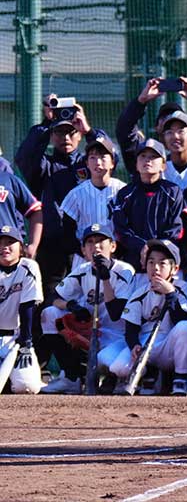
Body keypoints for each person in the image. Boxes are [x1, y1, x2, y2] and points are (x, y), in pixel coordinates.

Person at [15, 97, 105, 294]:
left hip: (86, 246)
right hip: (51, 248)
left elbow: (108, 156)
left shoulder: (88, 163)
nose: (65, 137)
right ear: (51, 136)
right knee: (51, 301)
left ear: (78, 135)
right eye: (59, 132)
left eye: (71, 132)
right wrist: (46, 122)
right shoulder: (44, 166)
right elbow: (25, 156)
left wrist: (89, 130)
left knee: (89, 299)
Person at [40, 224, 134, 394]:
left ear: (112, 246)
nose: (95, 246)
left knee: (110, 363)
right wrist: (71, 306)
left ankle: (113, 379)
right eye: (90, 242)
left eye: (100, 241)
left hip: (117, 337)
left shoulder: (125, 270)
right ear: (83, 250)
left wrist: (105, 278)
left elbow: (116, 314)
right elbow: (53, 298)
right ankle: (72, 377)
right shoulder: (82, 270)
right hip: (92, 334)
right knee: (50, 314)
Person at [108, 239, 187, 396]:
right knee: (119, 368)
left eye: (162, 264)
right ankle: (149, 374)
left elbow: (180, 319)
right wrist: (134, 345)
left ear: (174, 269)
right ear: (145, 266)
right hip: (146, 345)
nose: (155, 268)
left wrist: (170, 295)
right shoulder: (139, 293)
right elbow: (131, 330)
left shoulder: (181, 288)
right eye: (151, 262)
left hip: (169, 346)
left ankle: (179, 379)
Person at [116, 77, 187, 174]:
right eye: (165, 118)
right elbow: (125, 130)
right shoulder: (145, 156)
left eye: (180, 129)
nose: (175, 135)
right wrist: (140, 101)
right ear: (157, 127)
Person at [111, 139, 184, 269]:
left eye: (153, 156)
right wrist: (141, 246)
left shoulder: (173, 192)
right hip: (133, 263)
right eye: (143, 156)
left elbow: (176, 229)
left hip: (165, 263)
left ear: (163, 165)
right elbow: (121, 229)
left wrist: (155, 248)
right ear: (137, 164)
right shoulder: (126, 193)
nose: (147, 160)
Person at [60, 136, 126, 264]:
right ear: (87, 163)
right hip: (84, 259)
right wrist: (84, 253)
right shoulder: (76, 194)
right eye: (93, 157)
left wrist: (118, 253)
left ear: (112, 162)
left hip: (116, 259)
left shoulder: (123, 191)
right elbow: (67, 232)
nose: (98, 162)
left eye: (103, 157)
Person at [0, 224, 44, 394]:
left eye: (10, 242)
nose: (4, 247)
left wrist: (26, 342)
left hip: (15, 340)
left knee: (27, 386)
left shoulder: (28, 267)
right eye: (1, 242)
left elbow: (27, 307)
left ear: (21, 246)